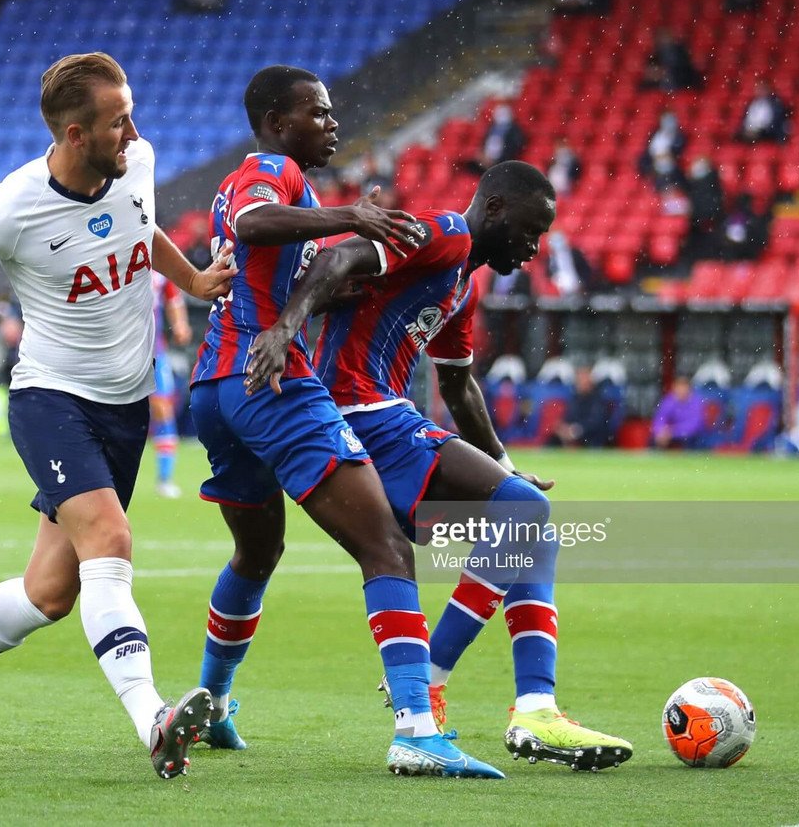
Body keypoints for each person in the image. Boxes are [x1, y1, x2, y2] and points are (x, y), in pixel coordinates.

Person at [0, 52, 237, 780]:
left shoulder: (138, 163)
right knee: (111, 536)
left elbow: (139, 226)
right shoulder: (12, 207)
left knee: (50, 594)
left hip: (124, 407)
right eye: (117, 122)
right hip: (51, 400)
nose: (133, 132)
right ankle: (152, 718)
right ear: (73, 134)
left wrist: (189, 278)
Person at [237, 160, 632, 772]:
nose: (534, 248)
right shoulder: (444, 233)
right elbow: (337, 260)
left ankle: (534, 708)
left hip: (379, 417)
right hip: (360, 409)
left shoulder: (463, 286)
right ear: (495, 209)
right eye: (530, 231)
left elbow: (459, 385)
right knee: (525, 516)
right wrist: (287, 327)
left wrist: (504, 465)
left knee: (529, 528)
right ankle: (439, 678)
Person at [187, 64, 502, 778]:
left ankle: (213, 703)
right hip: (268, 379)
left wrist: (331, 288)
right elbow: (252, 221)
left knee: (257, 554)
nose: (332, 123)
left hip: (216, 384)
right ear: (275, 121)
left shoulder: (280, 180)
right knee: (387, 547)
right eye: (317, 113)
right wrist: (352, 217)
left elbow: (267, 264)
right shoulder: (271, 170)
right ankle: (418, 728)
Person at [151, 273, 191, 498]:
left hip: (155, 353)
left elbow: (174, 298)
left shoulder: (158, 269)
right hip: (117, 354)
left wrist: (180, 324)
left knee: (163, 410)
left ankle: (165, 478)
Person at [550, 366, 614, 447]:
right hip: (575, 434)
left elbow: (596, 422)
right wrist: (563, 428)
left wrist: (577, 430)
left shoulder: (598, 398)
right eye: (579, 379)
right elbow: (569, 416)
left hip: (592, 437)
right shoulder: (574, 398)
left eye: (584, 379)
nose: (581, 382)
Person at [651, 375, 707, 448]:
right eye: (679, 388)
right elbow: (660, 418)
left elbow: (694, 426)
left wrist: (673, 432)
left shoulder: (697, 402)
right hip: (671, 436)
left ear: (689, 389)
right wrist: (660, 431)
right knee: (655, 440)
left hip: (692, 437)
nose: (681, 391)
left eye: (684, 388)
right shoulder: (669, 401)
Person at [546, 230, 599, 296]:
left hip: (578, 287)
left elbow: (585, 269)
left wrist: (582, 283)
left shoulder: (575, 254)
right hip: (560, 291)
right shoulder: (550, 258)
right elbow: (549, 275)